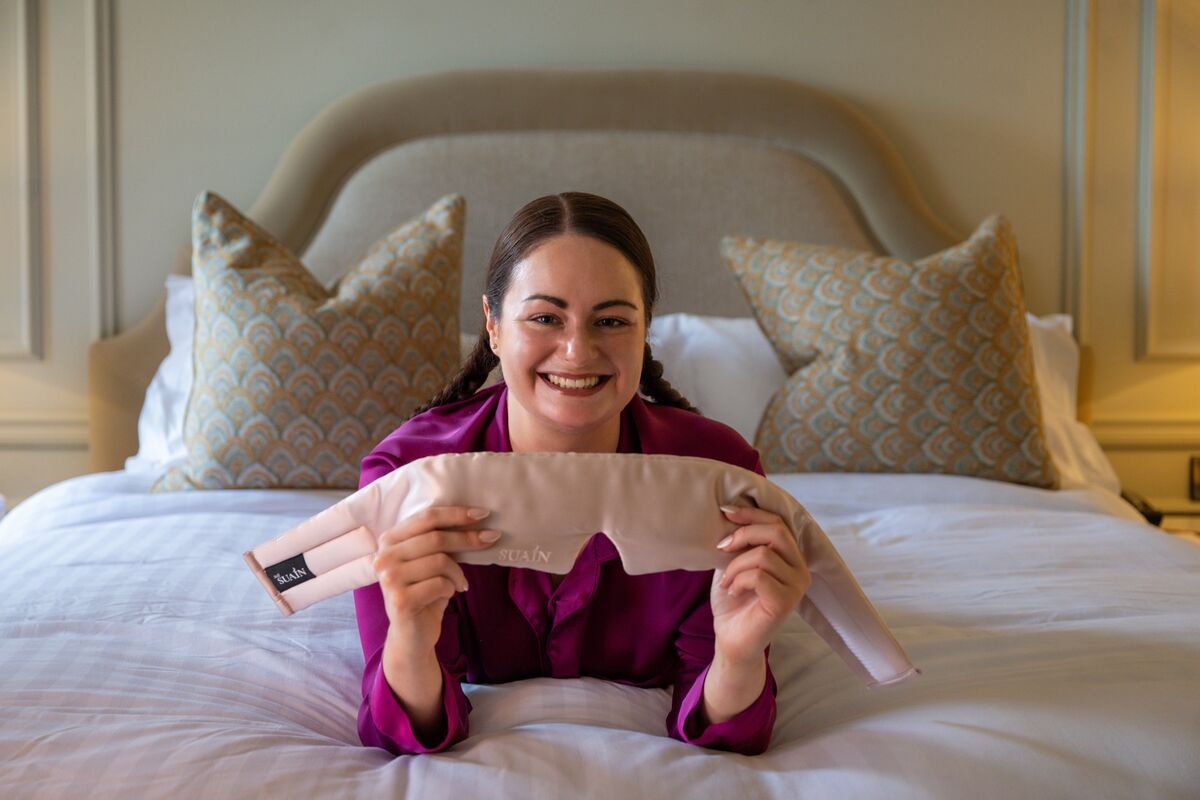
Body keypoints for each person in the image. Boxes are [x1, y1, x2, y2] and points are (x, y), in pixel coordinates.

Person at [353, 192, 811, 756]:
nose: (576, 351)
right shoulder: (404, 478)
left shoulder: (721, 479)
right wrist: (410, 639)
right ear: (493, 325)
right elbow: (397, 731)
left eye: (611, 321)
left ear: (645, 329)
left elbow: (729, 730)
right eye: (545, 318)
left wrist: (739, 654)